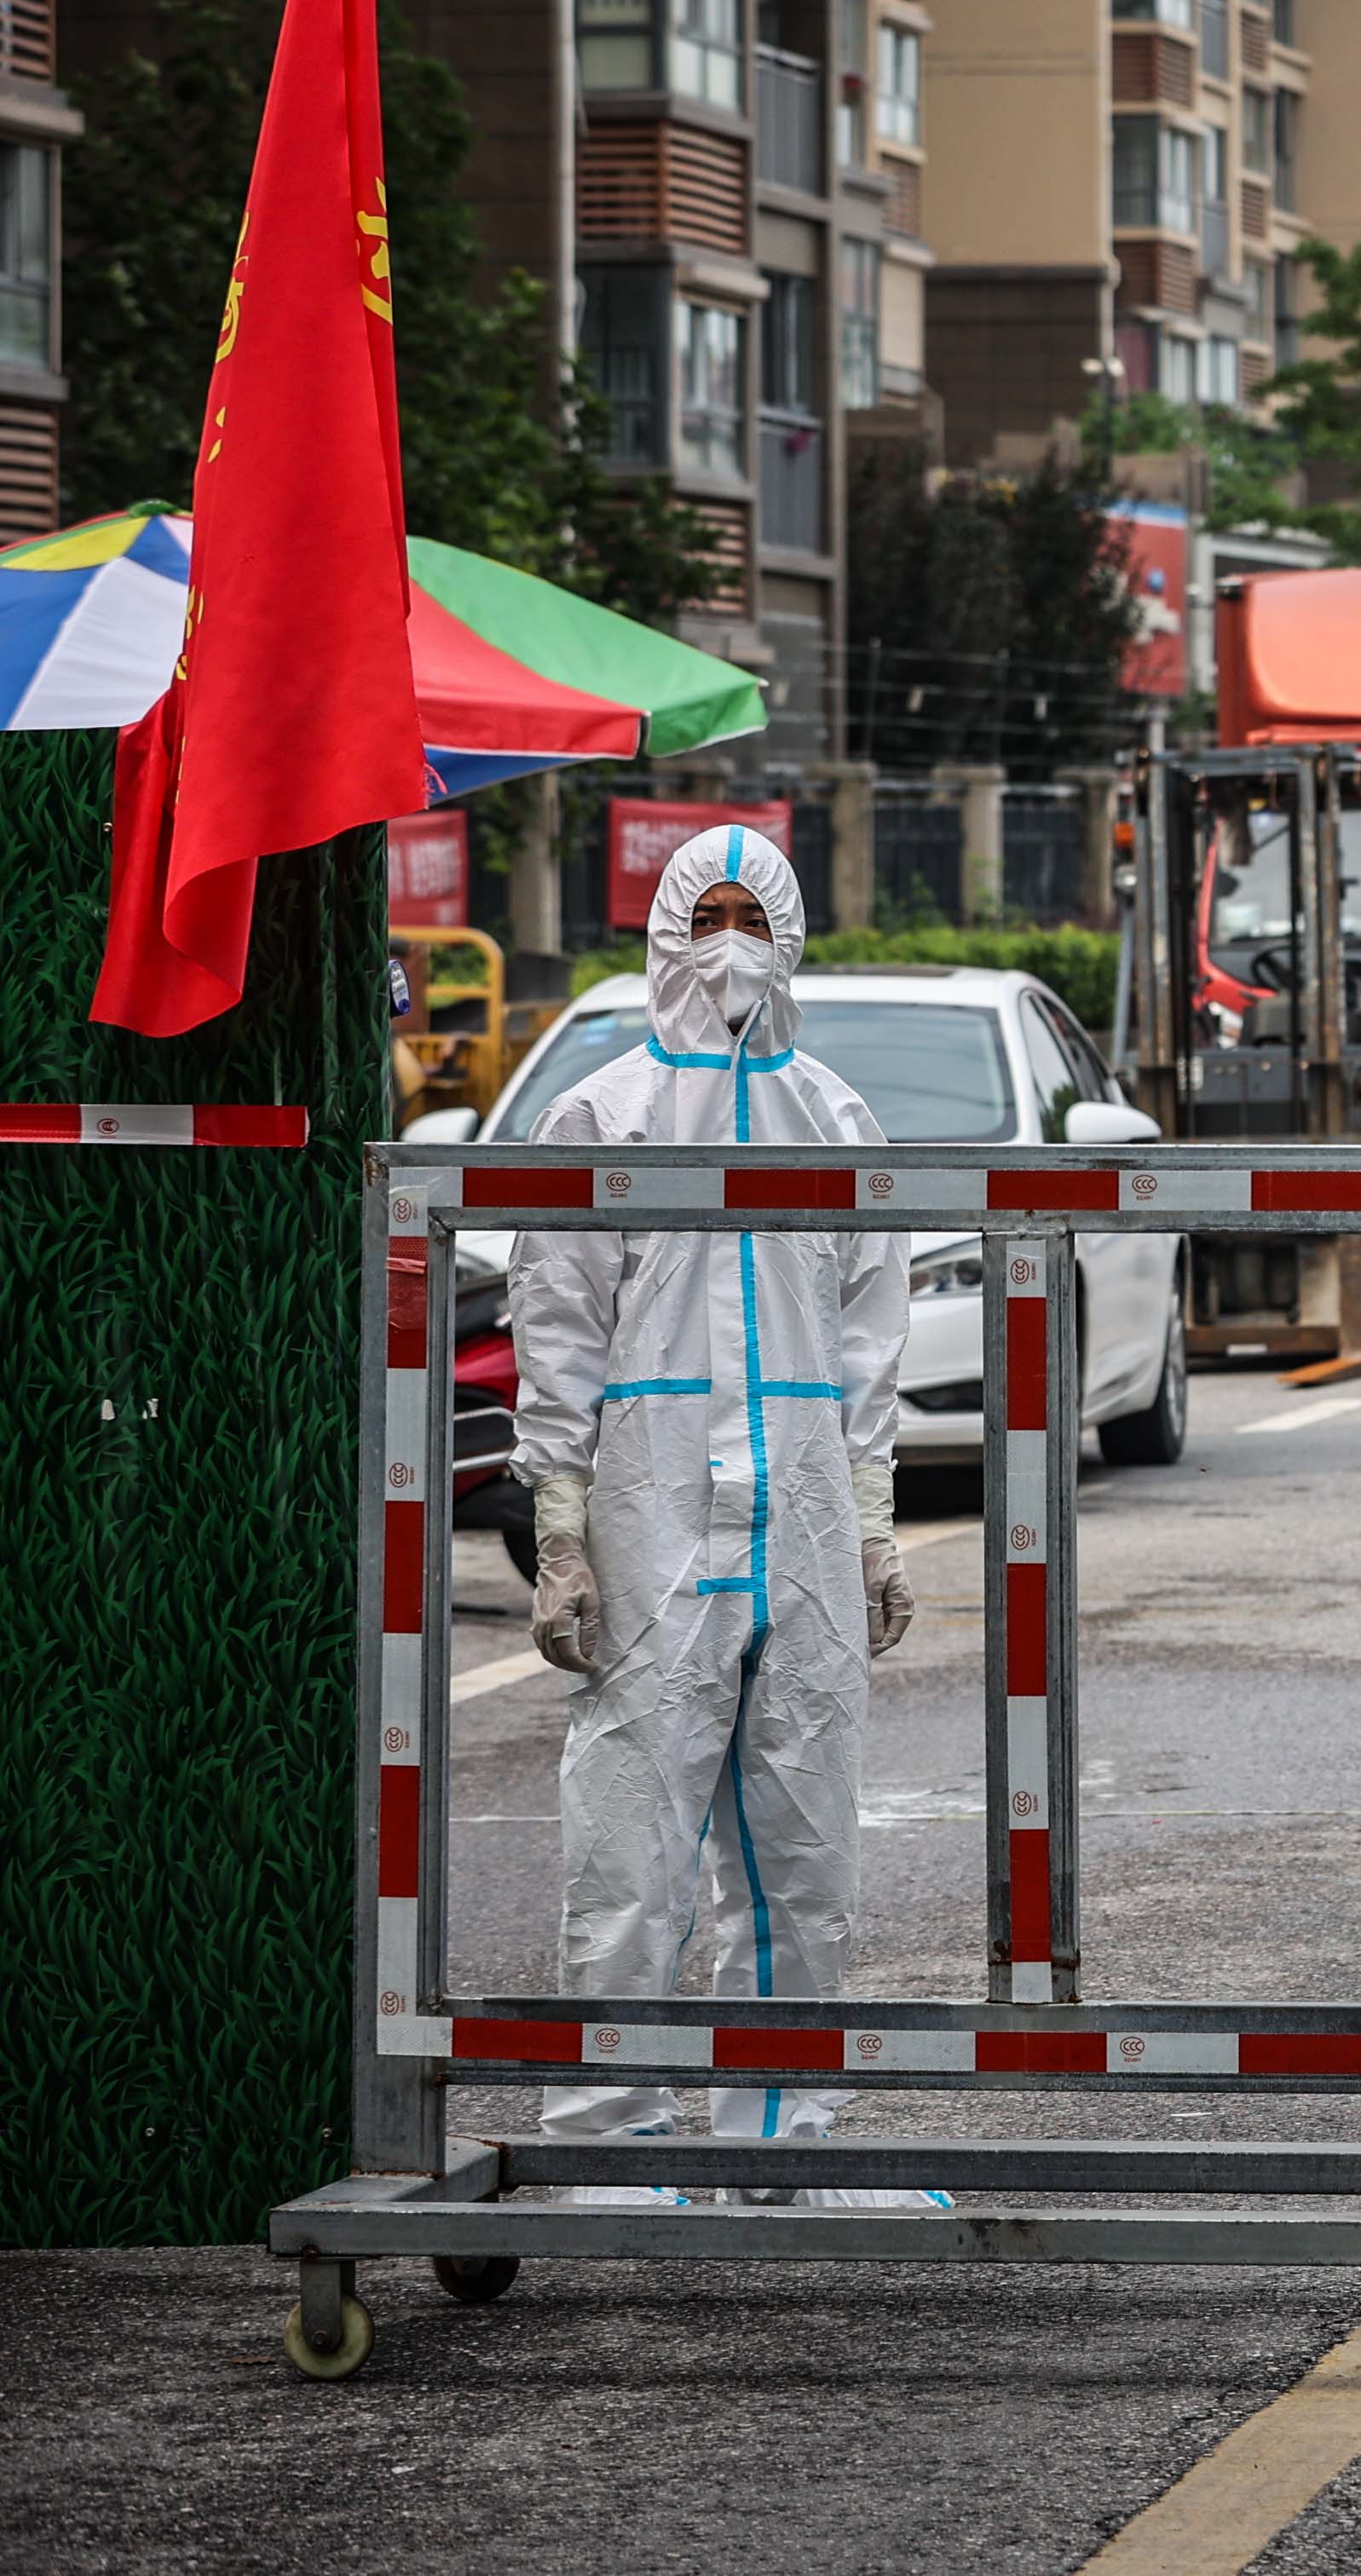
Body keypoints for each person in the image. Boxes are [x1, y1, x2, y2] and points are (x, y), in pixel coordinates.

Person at [507, 826, 914, 2175]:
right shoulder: (602, 1112)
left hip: (796, 1513)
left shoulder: (834, 1114)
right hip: (654, 1511)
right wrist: (562, 1524)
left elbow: (869, 1343)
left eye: (754, 912)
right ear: (667, 931)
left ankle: (786, 2137)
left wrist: (868, 1517)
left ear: (790, 931)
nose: (731, 937)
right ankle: (605, 2134)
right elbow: (555, 1325)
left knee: (803, 1844)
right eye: (710, 912)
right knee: (631, 1844)